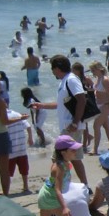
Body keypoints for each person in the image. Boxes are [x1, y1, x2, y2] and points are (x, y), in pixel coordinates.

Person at [29, 55, 89, 186]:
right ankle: (84, 186)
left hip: (71, 126)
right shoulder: (65, 81)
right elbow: (60, 104)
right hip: (69, 125)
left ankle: (56, 187)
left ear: (57, 68)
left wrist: (75, 122)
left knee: (58, 158)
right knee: (75, 158)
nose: (52, 72)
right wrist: (42, 105)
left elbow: (82, 99)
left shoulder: (71, 80)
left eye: (52, 68)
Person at [36, 135, 82, 216]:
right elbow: (57, 189)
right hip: (49, 197)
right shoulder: (59, 167)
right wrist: (65, 207)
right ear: (63, 152)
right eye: (73, 150)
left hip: (46, 194)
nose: (75, 152)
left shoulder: (66, 163)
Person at [88, 61, 109, 155]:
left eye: (93, 70)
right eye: (91, 70)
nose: (92, 72)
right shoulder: (98, 79)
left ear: (99, 69)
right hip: (100, 105)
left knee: (96, 125)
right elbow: (98, 92)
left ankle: (95, 149)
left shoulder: (105, 80)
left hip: (106, 105)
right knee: (106, 126)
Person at [6, 107, 32, 194]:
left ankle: (6, 189)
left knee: (7, 171)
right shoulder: (17, 114)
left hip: (10, 148)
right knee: (24, 169)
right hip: (21, 147)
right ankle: (26, 186)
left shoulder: (2, 116)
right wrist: (30, 138)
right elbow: (28, 127)